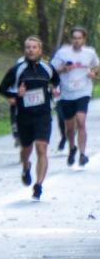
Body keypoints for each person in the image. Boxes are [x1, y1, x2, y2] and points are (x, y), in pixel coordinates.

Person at [0, 36, 60, 200]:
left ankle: (38, 185)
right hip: (24, 116)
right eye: (28, 47)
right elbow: (2, 88)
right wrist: (15, 94)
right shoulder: (17, 69)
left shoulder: (47, 68)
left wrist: (54, 90)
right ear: (25, 50)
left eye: (34, 47)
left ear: (40, 50)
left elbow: (56, 81)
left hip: (43, 115)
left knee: (41, 147)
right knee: (26, 149)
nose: (31, 50)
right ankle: (26, 166)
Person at [50, 26, 99, 167]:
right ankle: (72, 148)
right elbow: (52, 71)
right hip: (66, 93)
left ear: (83, 39)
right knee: (70, 127)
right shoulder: (62, 53)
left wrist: (93, 73)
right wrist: (63, 68)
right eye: (74, 38)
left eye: (79, 38)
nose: (77, 41)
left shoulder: (89, 53)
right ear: (71, 39)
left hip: (83, 91)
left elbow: (97, 66)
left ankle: (83, 154)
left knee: (81, 120)